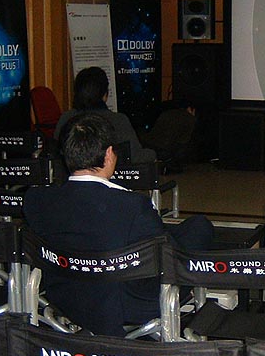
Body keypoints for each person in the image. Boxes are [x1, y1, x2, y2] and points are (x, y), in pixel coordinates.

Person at [24, 111, 214, 336]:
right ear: (108, 155)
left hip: (63, 295)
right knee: (199, 227)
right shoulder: (132, 205)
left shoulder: (36, 200)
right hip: (124, 303)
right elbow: (167, 258)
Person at [55, 66, 155, 164]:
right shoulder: (118, 120)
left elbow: (56, 154)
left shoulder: (66, 119)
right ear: (105, 94)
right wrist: (153, 153)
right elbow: (135, 156)